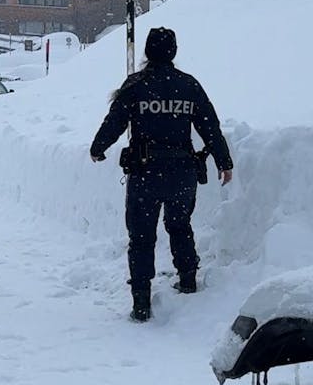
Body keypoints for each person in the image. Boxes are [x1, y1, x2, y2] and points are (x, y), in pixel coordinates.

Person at [89, 27, 233, 322]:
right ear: (174, 52)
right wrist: (224, 161)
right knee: (180, 226)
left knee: (141, 237)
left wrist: (99, 147)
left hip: (145, 173)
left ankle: (141, 301)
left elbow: (115, 121)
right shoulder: (188, 85)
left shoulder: (136, 85)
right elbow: (209, 125)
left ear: (147, 51)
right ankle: (188, 278)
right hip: (182, 173)